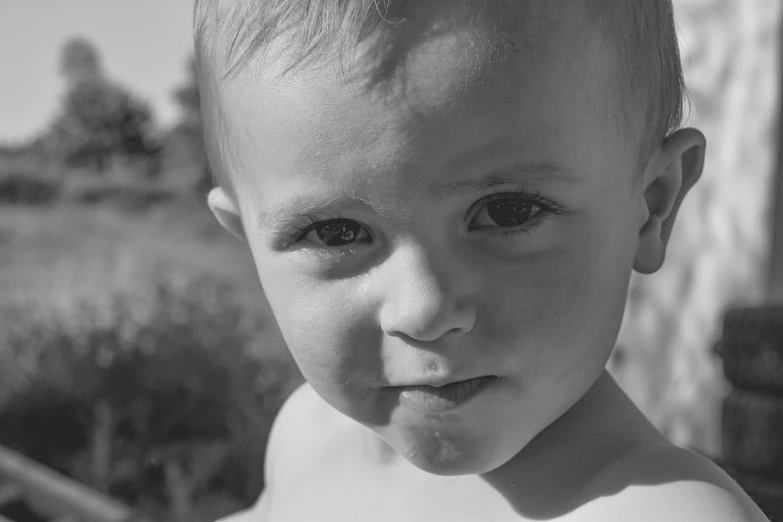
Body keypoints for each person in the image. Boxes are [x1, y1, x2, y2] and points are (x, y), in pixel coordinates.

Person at [195, 0, 770, 520]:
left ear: (651, 205)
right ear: (246, 237)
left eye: (507, 211)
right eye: (335, 232)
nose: (424, 311)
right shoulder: (309, 437)